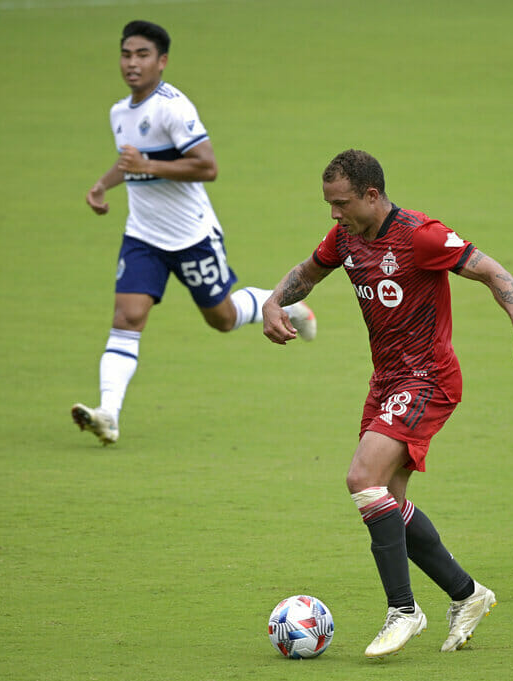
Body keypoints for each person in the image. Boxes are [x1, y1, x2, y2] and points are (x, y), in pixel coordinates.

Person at [262, 149, 513, 657]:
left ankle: (404, 610)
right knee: (387, 497)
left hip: (428, 378)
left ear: (372, 195)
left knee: (360, 479)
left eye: (341, 203)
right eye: (328, 204)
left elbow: (495, 274)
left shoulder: (421, 235)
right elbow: (307, 272)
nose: (333, 214)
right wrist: (271, 302)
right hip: (387, 382)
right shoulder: (345, 237)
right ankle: (468, 594)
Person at [72, 20, 315, 445]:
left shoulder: (173, 108)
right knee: (126, 318)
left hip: (192, 238)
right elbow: (130, 159)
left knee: (221, 319)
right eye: (126, 54)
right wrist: (102, 184)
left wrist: (149, 166)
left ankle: (283, 306)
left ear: (162, 61)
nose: (132, 63)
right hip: (143, 237)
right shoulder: (120, 112)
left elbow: (208, 166)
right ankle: (108, 413)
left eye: (142, 55)